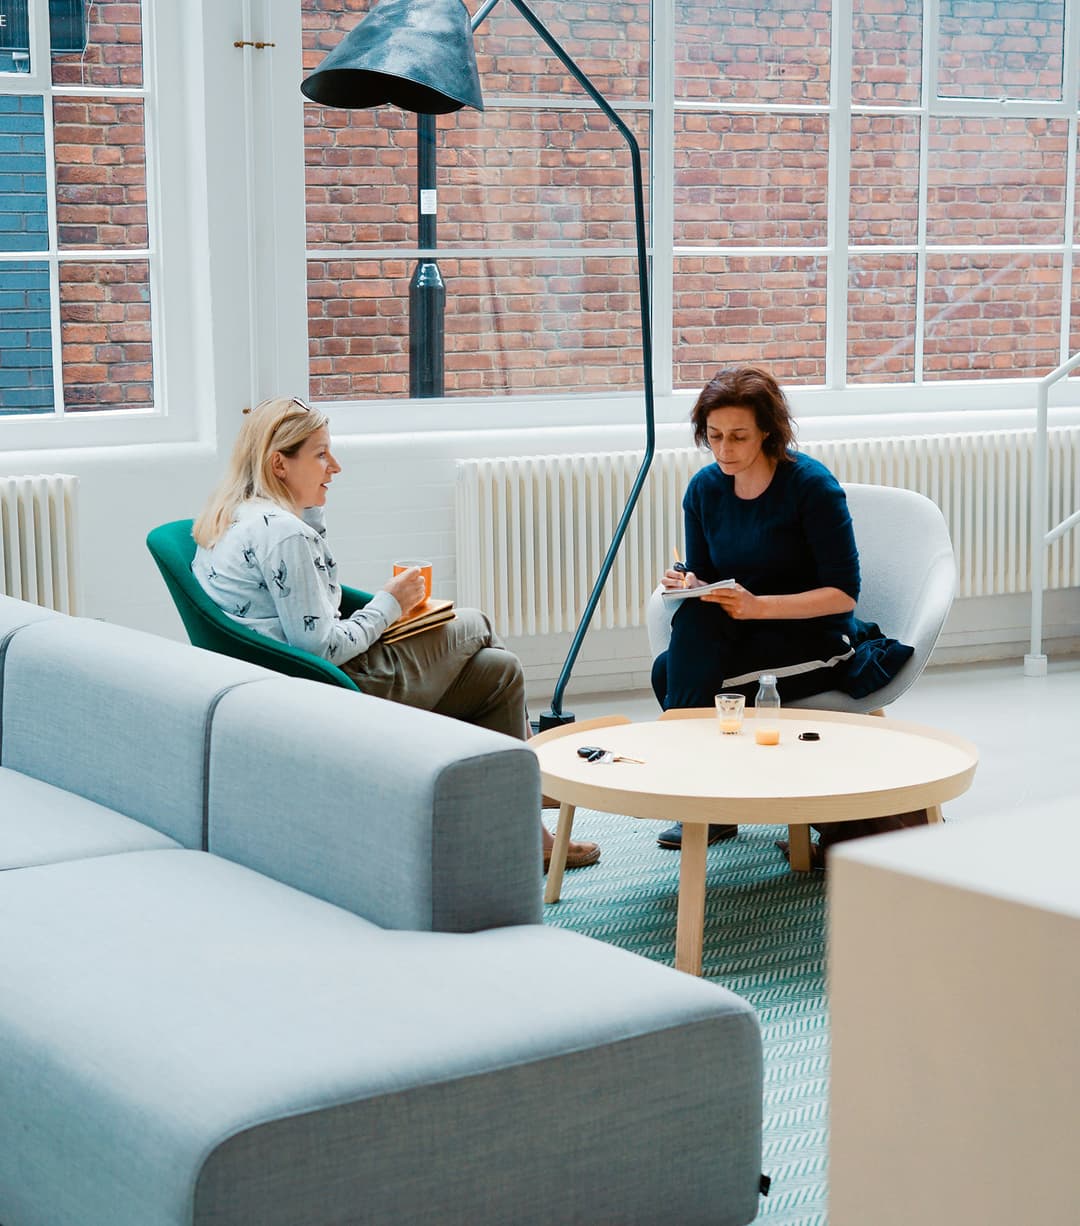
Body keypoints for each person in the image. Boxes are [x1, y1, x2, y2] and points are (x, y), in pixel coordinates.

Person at [192, 395, 600, 871]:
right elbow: (319, 645)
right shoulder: (286, 535)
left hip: (293, 683)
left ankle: (526, 831)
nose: (335, 466)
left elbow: (310, 610)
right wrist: (390, 603)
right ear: (279, 463)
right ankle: (535, 783)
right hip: (336, 688)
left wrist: (317, 521)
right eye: (321, 454)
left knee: (500, 671)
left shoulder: (241, 516)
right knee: (475, 622)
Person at [651, 366, 915, 859]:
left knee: (675, 674)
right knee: (676, 654)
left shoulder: (811, 487)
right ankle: (710, 793)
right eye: (713, 437)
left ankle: (700, 792)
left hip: (815, 637)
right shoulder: (705, 489)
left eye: (738, 436)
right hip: (745, 635)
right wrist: (688, 583)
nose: (724, 449)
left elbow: (843, 595)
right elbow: (707, 579)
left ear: (768, 430)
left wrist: (757, 607)